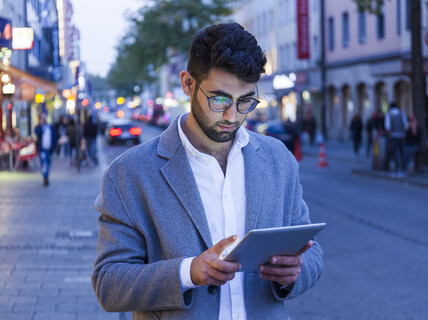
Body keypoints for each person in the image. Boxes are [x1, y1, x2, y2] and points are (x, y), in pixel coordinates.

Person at [92, 22, 323, 320]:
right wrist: (188, 272)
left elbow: (312, 252)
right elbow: (109, 283)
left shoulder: (278, 159)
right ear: (188, 83)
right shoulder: (130, 173)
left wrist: (295, 271)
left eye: (245, 102)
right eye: (220, 99)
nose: (232, 115)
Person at [385, 102, 408, 177]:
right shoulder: (401, 113)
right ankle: (402, 168)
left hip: (393, 135)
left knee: (395, 153)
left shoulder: (389, 114)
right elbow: (406, 125)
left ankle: (398, 168)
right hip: (402, 135)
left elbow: (387, 126)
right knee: (402, 152)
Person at [35, 113, 57, 186]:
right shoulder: (39, 127)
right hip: (42, 150)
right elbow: (37, 132)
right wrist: (40, 125)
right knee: (44, 164)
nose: (43, 119)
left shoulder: (50, 127)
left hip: (49, 149)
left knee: (48, 164)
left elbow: (54, 137)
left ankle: (46, 175)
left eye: (44, 118)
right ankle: (45, 177)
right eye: (42, 118)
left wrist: (54, 147)